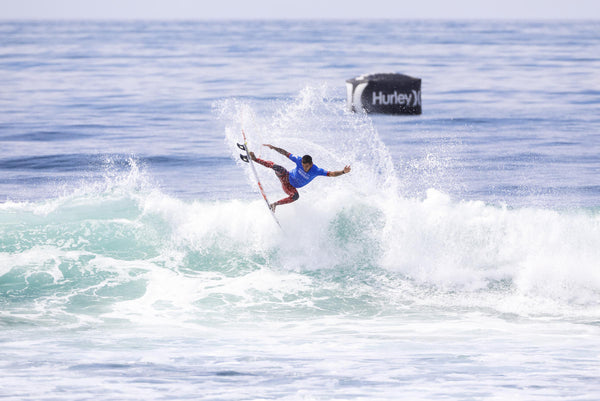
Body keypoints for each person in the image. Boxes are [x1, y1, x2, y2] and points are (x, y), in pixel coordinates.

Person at [249, 144, 351, 212]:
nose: (304, 167)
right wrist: (274, 147)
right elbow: (285, 153)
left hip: (290, 188)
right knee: (277, 167)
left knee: (296, 196)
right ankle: (255, 159)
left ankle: (275, 204)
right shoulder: (298, 160)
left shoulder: (317, 170)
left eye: (306, 166)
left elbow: (331, 174)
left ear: (311, 164)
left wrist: (343, 172)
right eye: (302, 165)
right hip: (286, 177)